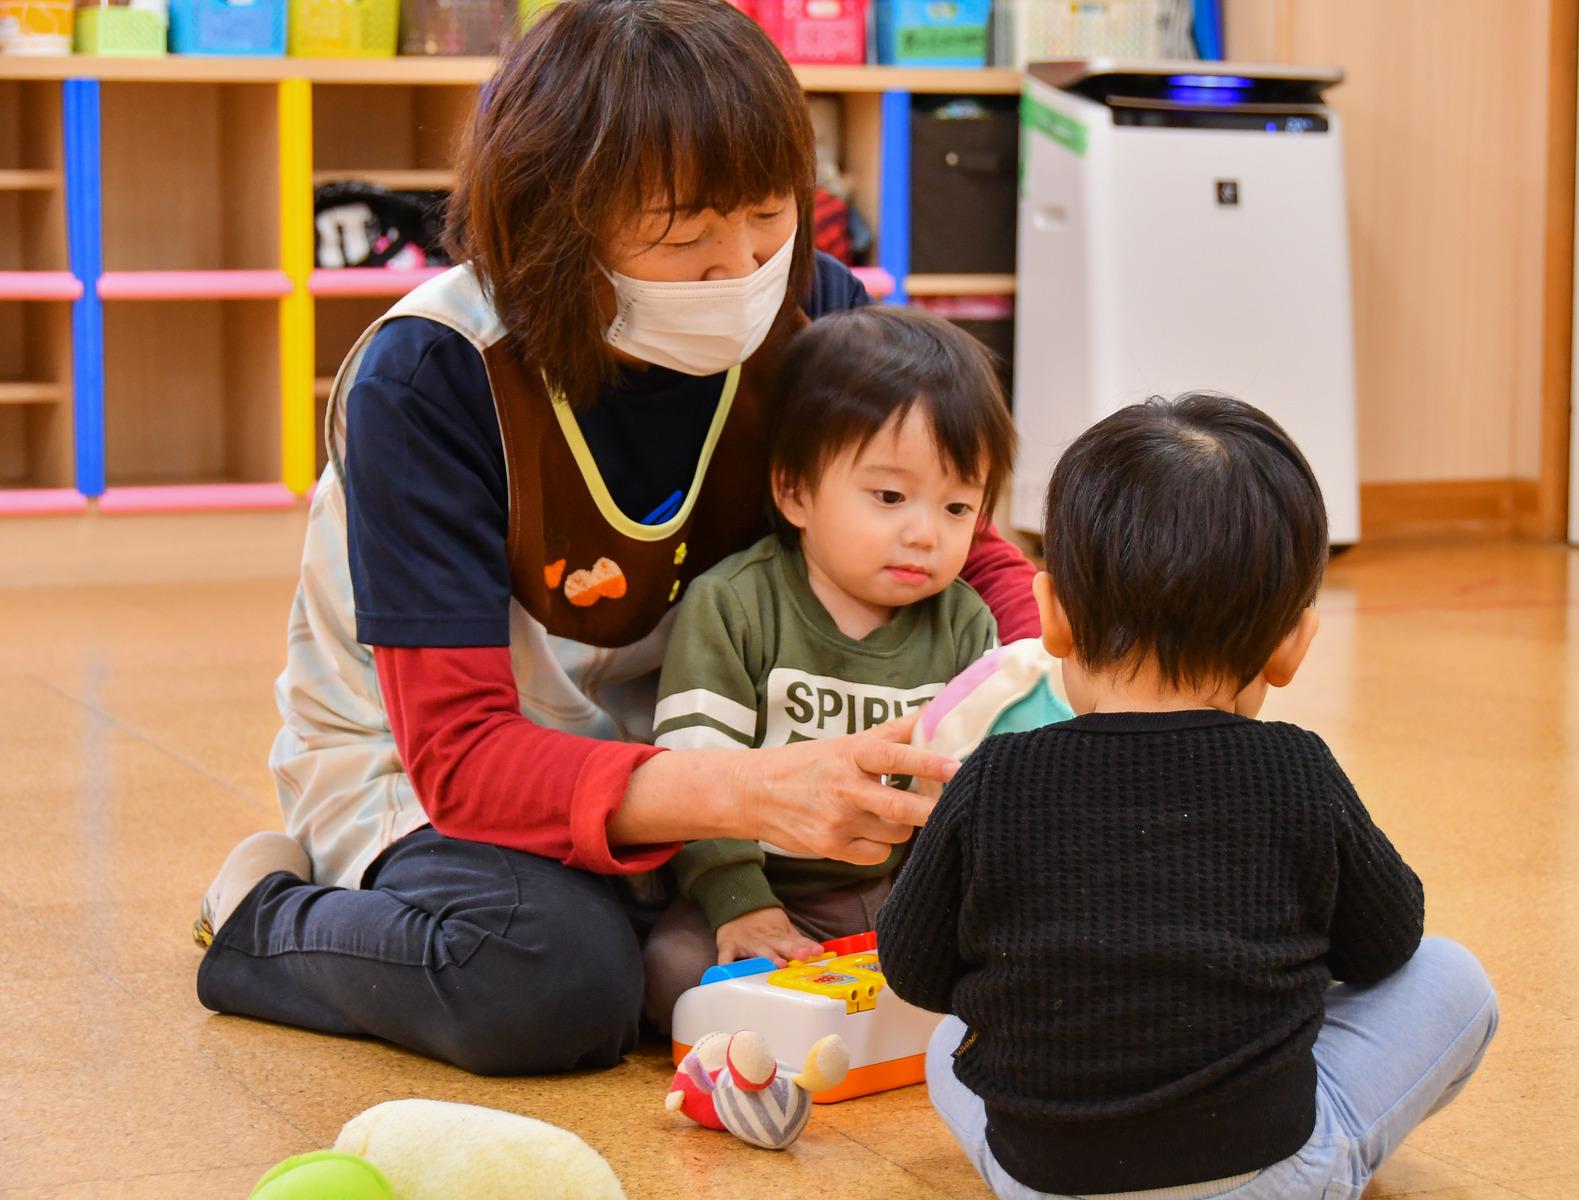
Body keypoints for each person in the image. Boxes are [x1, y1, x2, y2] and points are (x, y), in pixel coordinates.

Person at [189, 0, 1039, 1077]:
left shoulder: (814, 308)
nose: (740, 268)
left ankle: (635, 909)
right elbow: (462, 756)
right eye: (686, 237)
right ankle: (263, 920)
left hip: (705, 740)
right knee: (550, 982)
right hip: (436, 769)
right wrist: (756, 791)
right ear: (558, 222)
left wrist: (1040, 692)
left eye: (769, 217)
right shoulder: (433, 375)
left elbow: (969, 538)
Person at [876, 394, 1497, 1199]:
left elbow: (915, 970)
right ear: (1291, 645)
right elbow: (1388, 944)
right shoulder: (1297, 770)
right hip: (1262, 1176)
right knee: (1454, 978)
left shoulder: (994, 774)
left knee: (948, 1043)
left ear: (1053, 616)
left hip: (1045, 1178)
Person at [640, 307, 1015, 1030]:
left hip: (903, 891)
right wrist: (742, 905)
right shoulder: (733, 605)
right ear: (795, 492)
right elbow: (691, 775)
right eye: (889, 496)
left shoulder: (966, 622)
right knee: (673, 975)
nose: (923, 532)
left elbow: (976, 794)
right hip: (766, 885)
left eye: (958, 505)